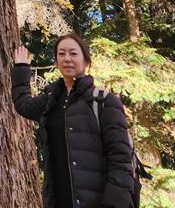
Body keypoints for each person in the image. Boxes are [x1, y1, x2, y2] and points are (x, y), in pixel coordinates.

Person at [12, 33, 135, 208]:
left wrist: (113, 204)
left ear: (85, 60)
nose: (67, 58)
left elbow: (121, 159)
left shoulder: (103, 101)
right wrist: (22, 68)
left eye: (73, 53)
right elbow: (23, 105)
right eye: (61, 54)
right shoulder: (51, 100)